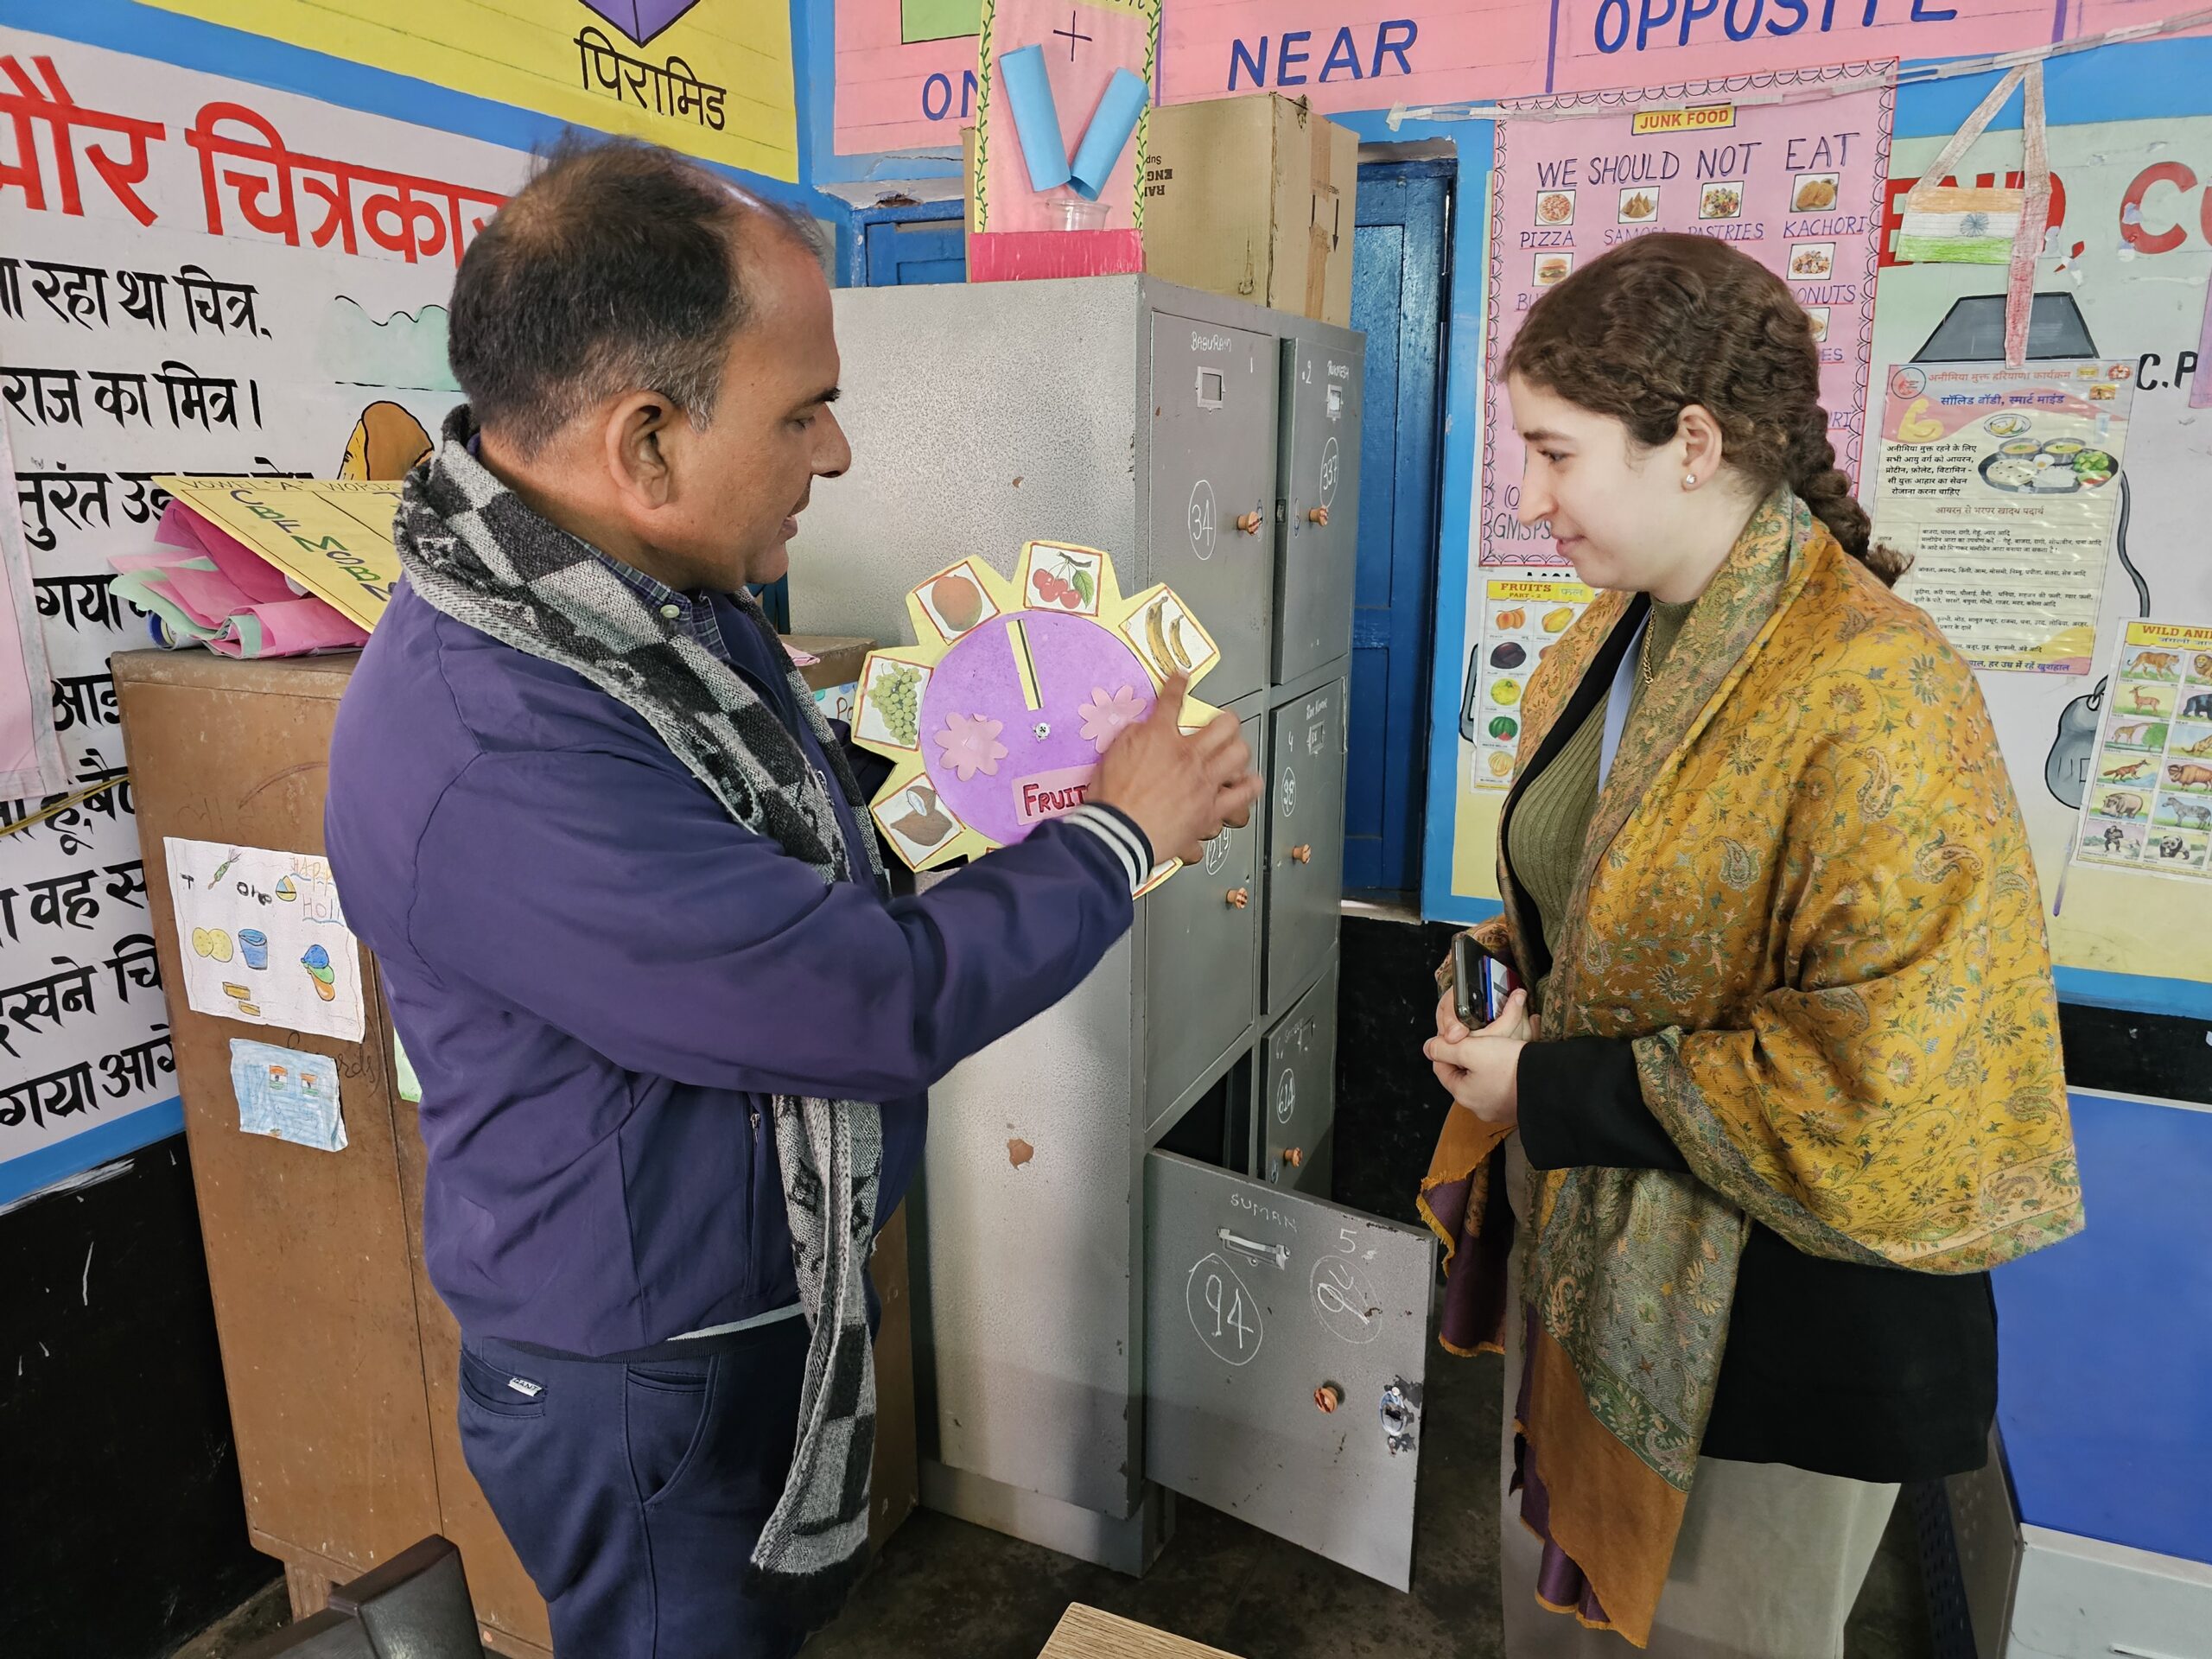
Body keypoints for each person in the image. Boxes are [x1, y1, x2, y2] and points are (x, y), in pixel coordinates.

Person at [323, 137, 1260, 1659]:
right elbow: (855, 999)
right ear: (645, 442)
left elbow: (787, 843)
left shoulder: (635, 610)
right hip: (648, 1366)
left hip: (731, 1298)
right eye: (802, 410)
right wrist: (1114, 840)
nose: (836, 454)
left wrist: (1003, 769)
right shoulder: (504, 745)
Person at [1414, 233, 2084, 1659]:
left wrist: (1551, 1087)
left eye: (1554, 453)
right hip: (1592, 1259)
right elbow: (1601, 893)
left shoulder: (1877, 688)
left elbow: (1883, 1077)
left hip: (1774, 1339)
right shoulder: (1621, 636)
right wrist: (1508, 972)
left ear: (1695, 444)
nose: (1527, 499)